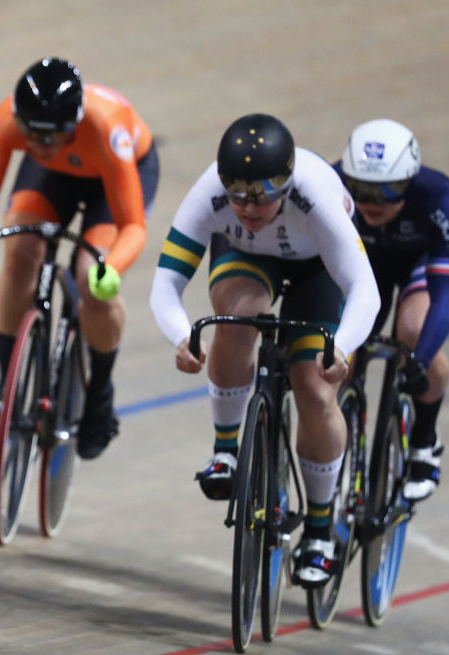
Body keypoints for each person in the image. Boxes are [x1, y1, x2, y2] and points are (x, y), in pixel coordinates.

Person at [149, 113, 380, 587]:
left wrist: (343, 346)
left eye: (262, 196)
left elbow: (365, 289)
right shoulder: (209, 193)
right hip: (247, 258)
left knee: (315, 388)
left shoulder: (315, 199)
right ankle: (226, 450)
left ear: (288, 184)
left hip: (318, 272)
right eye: (237, 195)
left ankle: (318, 530)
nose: (249, 208)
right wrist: (180, 336)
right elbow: (164, 286)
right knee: (237, 319)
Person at [0, 56, 159, 460]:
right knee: (21, 254)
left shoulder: (107, 126)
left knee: (90, 280)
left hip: (112, 179)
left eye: (54, 137)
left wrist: (112, 268)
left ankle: (100, 395)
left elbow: (133, 226)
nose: (42, 146)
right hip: (54, 178)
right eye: (33, 136)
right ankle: (6, 388)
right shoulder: (9, 121)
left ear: (77, 122)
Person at [335, 118, 449, 502]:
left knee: (412, 329)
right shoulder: (330, 180)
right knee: (343, 345)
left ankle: (425, 441)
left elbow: (444, 296)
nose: (370, 203)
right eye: (360, 189)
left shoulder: (439, 196)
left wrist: (420, 359)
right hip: (368, 263)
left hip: (422, 263)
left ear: (409, 182)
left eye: (386, 192)